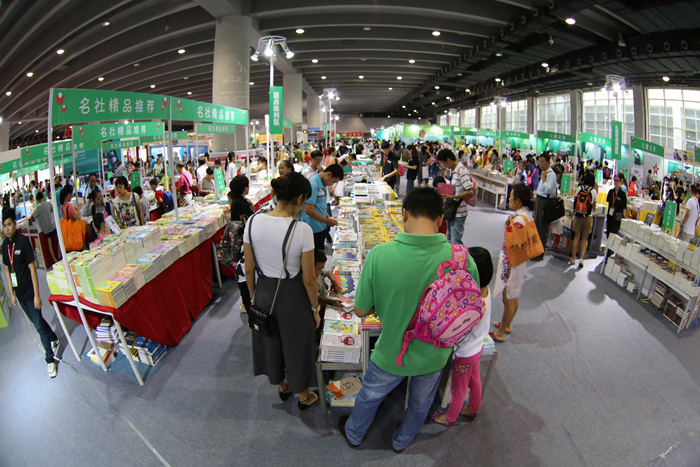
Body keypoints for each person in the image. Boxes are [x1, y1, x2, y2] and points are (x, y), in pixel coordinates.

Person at [338, 187, 481, 453]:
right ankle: (402, 440)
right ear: (440, 219)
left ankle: (354, 434)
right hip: (435, 354)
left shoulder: (379, 255)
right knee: (420, 403)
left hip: (392, 352)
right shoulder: (461, 258)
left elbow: (360, 310)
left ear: (404, 215)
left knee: (369, 396)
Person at [243, 172, 320, 411]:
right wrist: (315, 309)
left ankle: (282, 387)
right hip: (292, 294)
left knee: (270, 340)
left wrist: (254, 297)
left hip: (264, 290)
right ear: (299, 200)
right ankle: (305, 395)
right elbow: (309, 279)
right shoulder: (302, 230)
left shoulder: (253, 221)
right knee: (297, 344)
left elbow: (248, 268)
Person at [430, 246, 493, 426]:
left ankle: (449, 417)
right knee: (475, 380)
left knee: (458, 388)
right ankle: (474, 408)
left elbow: (459, 329)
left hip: (464, 353)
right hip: (477, 347)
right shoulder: (485, 290)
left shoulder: (473, 302)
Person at [3, 208, 59, 378]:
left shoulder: (23, 242)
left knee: (38, 327)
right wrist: (11, 294)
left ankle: (50, 360)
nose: (6, 228)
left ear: (15, 223)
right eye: (4, 225)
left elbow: (32, 269)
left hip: (29, 291)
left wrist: (37, 295)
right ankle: (53, 337)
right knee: (38, 322)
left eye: (9, 224)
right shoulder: (4, 246)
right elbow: (7, 270)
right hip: (19, 294)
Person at [491, 183, 535, 342]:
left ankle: (501, 332)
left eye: (511, 197)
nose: (509, 199)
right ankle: (506, 324)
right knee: (514, 295)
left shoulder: (518, 219)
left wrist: (507, 226)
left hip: (512, 261)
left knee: (508, 298)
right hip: (519, 261)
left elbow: (513, 243)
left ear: (518, 200)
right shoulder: (527, 214)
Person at [228, 175, 255, 313]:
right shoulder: (239, 203)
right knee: (245, 273)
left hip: (245, 243)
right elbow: (245, 223)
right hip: (244, 245)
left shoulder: (240, 201)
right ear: (244, 187)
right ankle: (247, 303)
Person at [436, 148, 474, 246]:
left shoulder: (462, 171)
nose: (444, 165)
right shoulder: (454, 171)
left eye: (443, 163)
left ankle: (459, 260)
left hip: (459, 212)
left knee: (456, 241)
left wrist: (453, 197)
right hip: (452, 211)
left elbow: (470, 192)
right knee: (449, 238)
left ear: (448, 159)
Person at [300, 165, 343, 251]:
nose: (332, 184)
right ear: (329, 174)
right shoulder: (313, 185)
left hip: (320, 226)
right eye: (333, 181)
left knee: (320, 251)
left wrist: (328, 216)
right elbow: (308, 210)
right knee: (315, 255)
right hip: (313, 228)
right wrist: (326, 221)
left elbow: (320, 205)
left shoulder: (322, 184)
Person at [532, 153, 557, 261]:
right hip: (539, 200)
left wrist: (543, 179)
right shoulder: (544, 173)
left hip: (545, 202)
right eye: (539, 161)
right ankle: (535, 252)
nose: (540, 164)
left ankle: (539, 254)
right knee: (536, 228)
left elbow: (548, 190)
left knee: (542, 230)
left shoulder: (551, 175)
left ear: (548, 162)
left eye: (542, 161)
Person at [570, 172, 598, 269]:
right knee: (584, 239)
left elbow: (575, 201)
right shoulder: (594, 192)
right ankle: (581, 258)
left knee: (576, 237)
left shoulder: (579, 188)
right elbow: (594, 207)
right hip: (588, 217)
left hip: (578, 215)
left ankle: (573, 257)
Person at [28, 192, 58, 264]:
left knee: (49, 244)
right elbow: (52, 210)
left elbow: (32, 216)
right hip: (52, 225)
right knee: (57, 241)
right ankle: (59, 255)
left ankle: (55, 260)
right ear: (43, 197)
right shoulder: (48, 204)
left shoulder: (38, 208)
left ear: (37, 200)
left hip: (45, 228)